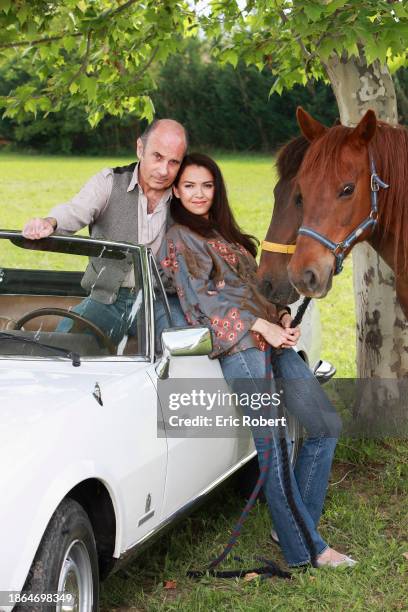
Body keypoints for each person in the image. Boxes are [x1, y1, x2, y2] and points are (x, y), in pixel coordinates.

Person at [158, 152, 356, 569]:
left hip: (273, 341)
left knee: (323, 425)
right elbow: (200, 303)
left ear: (217, 190)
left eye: (207, 185)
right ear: (176, 190)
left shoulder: (223, 233)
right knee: (276, 448)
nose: (198, 194)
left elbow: (252, 288)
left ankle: (291, 526)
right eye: (189, 185)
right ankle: (308, 550)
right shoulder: (178, 238)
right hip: (241, 350)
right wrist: (259, 326)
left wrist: (279, 315)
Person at [22, 119, 187, 343]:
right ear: (140, 148)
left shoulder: (186, 195)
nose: (163, 170)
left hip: (161, 300)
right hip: (108, 298)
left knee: (182, 351)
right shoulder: (109, 182)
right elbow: (75, 210)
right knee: (58, 344)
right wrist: (49, 222)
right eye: (157, 156)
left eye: (174, 162)